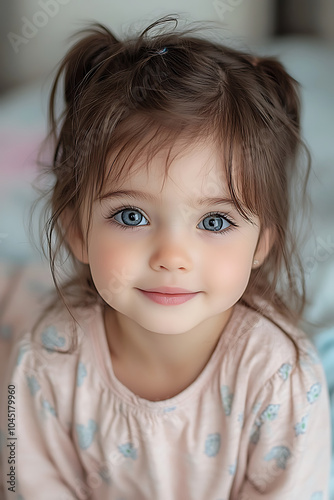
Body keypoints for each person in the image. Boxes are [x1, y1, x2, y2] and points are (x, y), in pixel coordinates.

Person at [0, 15, 331, 500]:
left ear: (262, 244)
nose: (172, 257)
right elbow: (23, 482)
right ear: (75, 230)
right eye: (131, 216)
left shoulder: (282, 380)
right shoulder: (44, 362)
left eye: (215, 222)